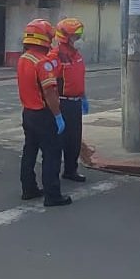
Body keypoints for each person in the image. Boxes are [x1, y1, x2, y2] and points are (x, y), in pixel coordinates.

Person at [18, 18, 72, 207]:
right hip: (43, 114)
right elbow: (49, 92)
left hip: (28, 113)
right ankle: (53, 195)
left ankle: (28, 188)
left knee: (29, 151)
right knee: (52, 154)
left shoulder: (23, 59)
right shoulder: (43, 63)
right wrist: (58, 116)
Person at [51, 17, 89, 183]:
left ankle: (70, 170)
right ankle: (52, 172)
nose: (78, 40)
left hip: (75, 102)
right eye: (75, 36)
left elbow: (79, 78)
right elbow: (50, 83)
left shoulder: (77, 55)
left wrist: (83, 97)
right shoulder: (56, 56)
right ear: (65, 37)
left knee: (74, 139)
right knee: (58, 140)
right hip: (62, 102)